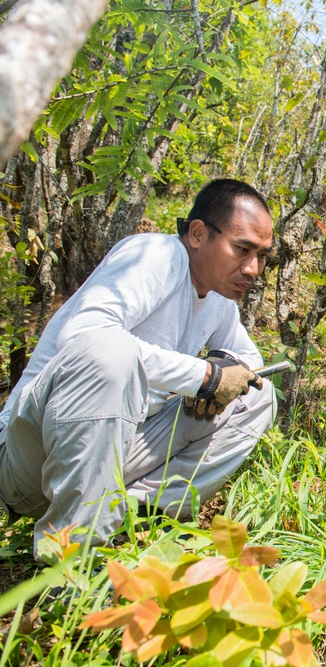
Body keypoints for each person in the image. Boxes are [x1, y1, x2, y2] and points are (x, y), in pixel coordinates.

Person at [0, 178, 277, 557]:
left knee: (257, 396)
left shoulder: (219, 300)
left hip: (114, 456)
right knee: (109, 352)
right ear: (198, 234)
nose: (253, 268)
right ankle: (68, 556)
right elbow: (85, 335)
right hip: (31, 458)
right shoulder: (156, 255)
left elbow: (250, 361)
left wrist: (223, 368)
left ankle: (131, 516)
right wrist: (203, 377)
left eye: (262, 255)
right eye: (242, 249)